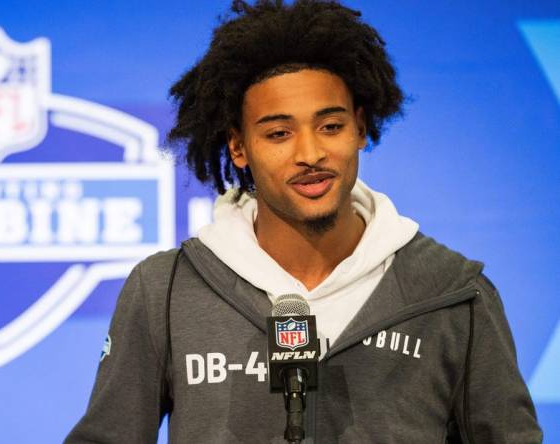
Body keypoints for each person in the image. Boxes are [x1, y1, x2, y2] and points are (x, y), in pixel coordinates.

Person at [66, 1, 543, 442]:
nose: (310, 153)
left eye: (330, 126)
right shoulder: (165, 291)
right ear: (239, 147)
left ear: (360, 127)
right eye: (278, 133)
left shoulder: (453, 294)